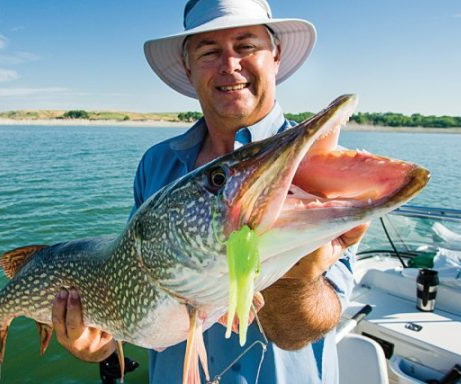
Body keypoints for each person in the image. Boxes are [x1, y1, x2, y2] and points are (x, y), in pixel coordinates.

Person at [52, 0, 368, 382]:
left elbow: (302, 330)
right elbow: (130, 288)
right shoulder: (156, 163)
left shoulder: (318, 165)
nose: (229, 64)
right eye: (209, 51)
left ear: (275, 55)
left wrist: (296, 278)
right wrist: (101, 346)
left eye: (246, 45)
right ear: (188, 67)